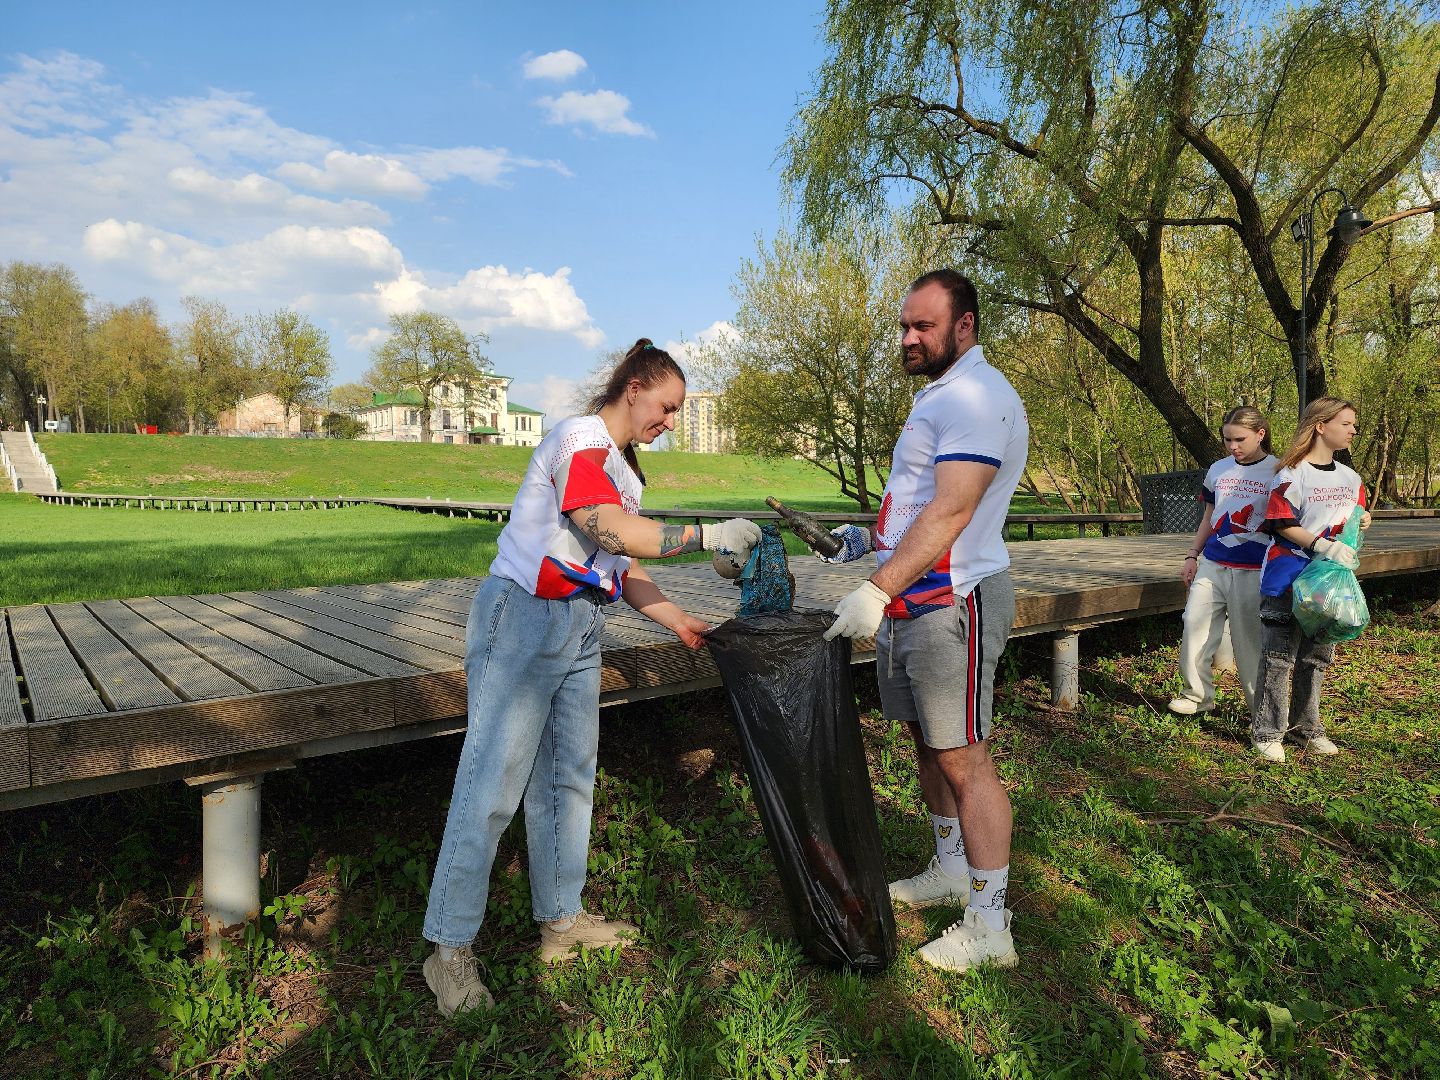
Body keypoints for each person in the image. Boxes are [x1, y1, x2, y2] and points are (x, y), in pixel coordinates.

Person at [421, 339, 761, 1017]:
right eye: (666, 406)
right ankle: (448, 952)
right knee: (492, 784)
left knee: (567, 780)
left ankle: (561, 923)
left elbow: (622, 566)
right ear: (634, 385)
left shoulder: (623, 472)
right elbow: (603, 529)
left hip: (579, 624)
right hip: (522, 617)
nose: (668, 421)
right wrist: (705, 536)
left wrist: (679, 620)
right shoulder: (581, 439)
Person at [823, 269, 1028, 974]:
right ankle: (948, 869)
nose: (909, 338)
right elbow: (917, 501)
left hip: (952, 603)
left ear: (964, 326)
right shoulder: (939, 395)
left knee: (965, 759)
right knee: (928, 745)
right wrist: (869, 542)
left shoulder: (977, 395)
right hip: (913, 595)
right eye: (905, 326)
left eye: (924, 326)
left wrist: (875, 588)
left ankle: (991, 924)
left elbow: (952, 510)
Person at [1251, 396, 1370, 763]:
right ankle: (1267, 731)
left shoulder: (1352, 478)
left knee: (1316, 657)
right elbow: (1282, 523)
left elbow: (1355, 514)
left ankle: (1307, 727)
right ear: (1320, 425)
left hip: (1328, 585)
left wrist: (1363, 521)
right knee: (1279, 655)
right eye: (1347, 423)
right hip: (1288, 576)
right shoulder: (1291, 474)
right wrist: (1322, 545)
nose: (1353, 430)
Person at [1168, 407, 1277, 717]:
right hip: (1213, 563)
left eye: (1239, 439)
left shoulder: (1278, 470)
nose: (1233, 447)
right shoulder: (1218, 469)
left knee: (1249, 643)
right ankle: (1197, 694)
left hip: (1254, 569)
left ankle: (1261, 713)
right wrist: (1192, 555)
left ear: (1260, 434)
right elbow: (1209, 516)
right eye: (1227, 440)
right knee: (1193, 621)